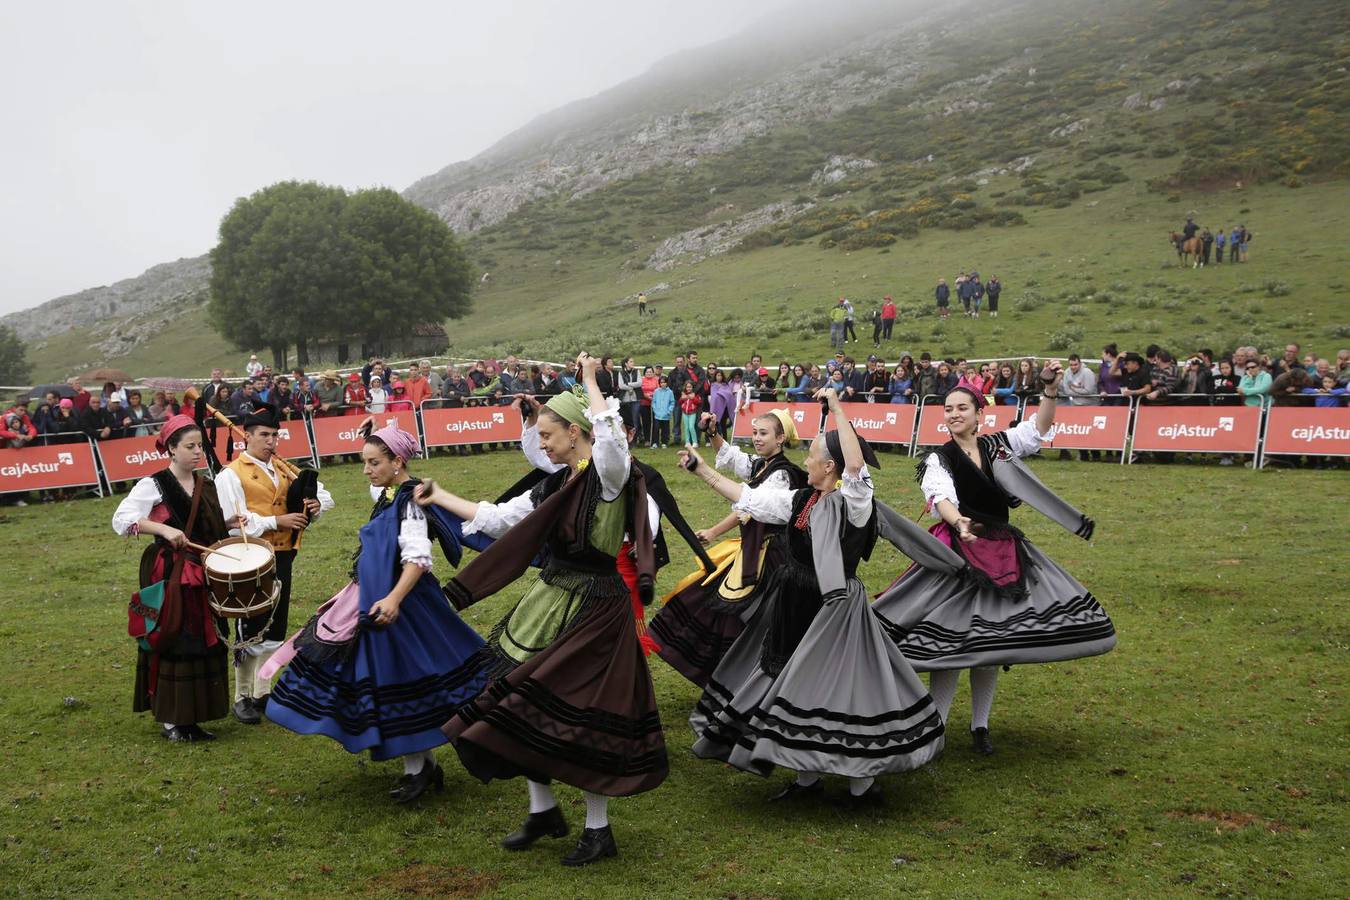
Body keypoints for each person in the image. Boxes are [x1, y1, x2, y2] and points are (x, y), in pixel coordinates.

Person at [415, 354, 667, 866]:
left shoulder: (610, 475)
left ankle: (599, 830)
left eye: (549, 435)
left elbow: (612, 440)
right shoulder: (556, 484)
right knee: (522, 702)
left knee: (586, 717)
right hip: (549, 601)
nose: (542, 443)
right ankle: (543, 809)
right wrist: (441, 495)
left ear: (576, 433)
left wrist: (592, 381)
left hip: (596, 611)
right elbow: (500, 519)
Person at [677, 388, 964, 802]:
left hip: (837, 610)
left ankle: (861, 785)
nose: (805, 461)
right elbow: (749, 498)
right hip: (794, 603)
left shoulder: (856, 503)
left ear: (830, 466)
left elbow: (855, 465)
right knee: (794, 685)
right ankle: (806, 779)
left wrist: (838, 409)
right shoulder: (799, 500)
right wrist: (702, 470)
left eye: (812, 454)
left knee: (842, 689)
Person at [873, 367, 1116, 755]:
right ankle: (935, 729)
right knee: (950, 647)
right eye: (948, 409)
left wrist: (1050, 391)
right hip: (958, 555)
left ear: (978, 413)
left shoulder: (999, 445)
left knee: (989, 643)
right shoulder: (939, 457)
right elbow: (939, 495)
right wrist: (958, 521)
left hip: (1003, 552)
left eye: (961, 408)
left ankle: (980, 726)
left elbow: (1038, 430)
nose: (953, 414)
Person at [262, 420, 487, 802]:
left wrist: (395, 600)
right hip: (374, 600)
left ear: (397, 462)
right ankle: (423, 765)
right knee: (396, 683)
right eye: (364, 462)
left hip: (402, 604)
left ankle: (419, 769)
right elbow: (378, 493)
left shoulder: (411, 503)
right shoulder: (388, 495)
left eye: (372, 463)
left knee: (402, 682)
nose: (366, 471)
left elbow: (417, 560)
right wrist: (374, 428)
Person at [650, 409, 808, 686]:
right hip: (754, 549)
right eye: (755, 432)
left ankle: (740, 676)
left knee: (742, 616)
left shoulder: (782, 475)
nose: (757, 439)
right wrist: (712, 433)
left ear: (780, 438)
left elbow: (752, 505)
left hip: (771, 557)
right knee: (712, 599)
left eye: (763, 434)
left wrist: (713, 530)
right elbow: (734, 458)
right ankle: (727, 676)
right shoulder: (763, 465)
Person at [111, 416, 234, 742]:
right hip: (171, 575)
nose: (197, 452)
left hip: (203, 572)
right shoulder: (153, 485)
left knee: (206, 637)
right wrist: (162, 528)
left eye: (200, 446)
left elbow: (213, 528)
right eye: (189, 446)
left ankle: (193, 716)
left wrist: (232, 521)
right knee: (176, 637)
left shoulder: (206, 484)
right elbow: (121, 520)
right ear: (171, 448)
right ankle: (171, 720)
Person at [215, 406, 333, 724]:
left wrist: (315, 505)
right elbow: (232, 521)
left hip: (283, 555)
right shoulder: (231, 474)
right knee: (251, 625)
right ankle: (242, 696)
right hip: (248, 557)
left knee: (275, 626)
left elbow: (323, 497)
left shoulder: (282, 470)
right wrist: (275, 520)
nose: (270, 441)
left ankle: (263, 691)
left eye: (274, 435)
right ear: (247, 438)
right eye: (264, 435)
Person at [650, 375, 674, 448]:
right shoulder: (656, 391)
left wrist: (669, 411)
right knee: (656, 428)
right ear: (659, 383)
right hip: (657, 414)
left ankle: (664, 442)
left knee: (665, 429)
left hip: (666, 415)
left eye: (664, 382)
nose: (663, 384)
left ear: (667, 383)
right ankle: (655, 443)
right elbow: (653, 402)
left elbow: (672, 402)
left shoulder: (670, 392)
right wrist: (655, 410)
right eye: (661, 382)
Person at [678, 381, 702, 447]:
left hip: (692, 413)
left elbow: (699, 402)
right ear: (685, 387)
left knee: (691, 427)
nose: (689, 388)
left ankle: (695, 442)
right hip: (685, 413)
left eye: (690, 387)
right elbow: (679, 402)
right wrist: (682, 398)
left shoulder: (695, 395)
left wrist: (693, 398)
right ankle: (687, 442)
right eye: (687, 387)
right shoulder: (683, 394)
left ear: (692, 387)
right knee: (686, 428)